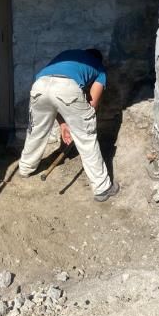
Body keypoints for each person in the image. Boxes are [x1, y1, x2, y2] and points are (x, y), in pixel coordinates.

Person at [18, 48, 119, 202]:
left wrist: (64, 124)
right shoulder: (99, 68)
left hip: (39, 85)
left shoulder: (67, 56)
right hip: (67, 88)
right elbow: (92, 106)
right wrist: (78, 125)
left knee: (36, 131)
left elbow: (53, 99)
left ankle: (25, 168)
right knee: (86, 139)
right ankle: (102, 188)